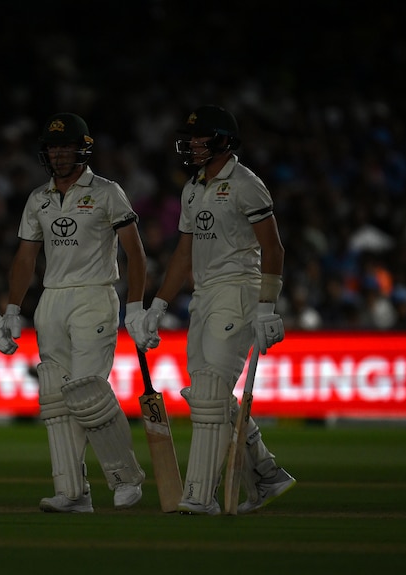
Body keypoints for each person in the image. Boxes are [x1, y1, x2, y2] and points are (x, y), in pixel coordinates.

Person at [0, 112, 152, 513]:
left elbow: (135, 253)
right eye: (52, 148)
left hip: (94, 295)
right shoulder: (38, 198)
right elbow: (25, 257)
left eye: (65, 147)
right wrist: (11, 310)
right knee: (56, 398)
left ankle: (125, 477)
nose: (59, 155)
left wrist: (135, 307)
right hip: (52, 300)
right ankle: (73, 492)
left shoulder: (107, 192)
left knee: (87, 391)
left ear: (82, 149)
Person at [142, 105, 296, 515]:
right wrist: (158, 305)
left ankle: (200, 495)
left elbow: (274, 248)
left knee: (210, 391)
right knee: (207, 396)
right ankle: (266, 474)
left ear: (224, 141)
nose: (192, 144)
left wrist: (267, 307)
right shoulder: (192, 188)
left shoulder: (246, 184)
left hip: (239, 291)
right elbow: (184, 253)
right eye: (190, 137)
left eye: (201, 137)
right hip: (204, 295)